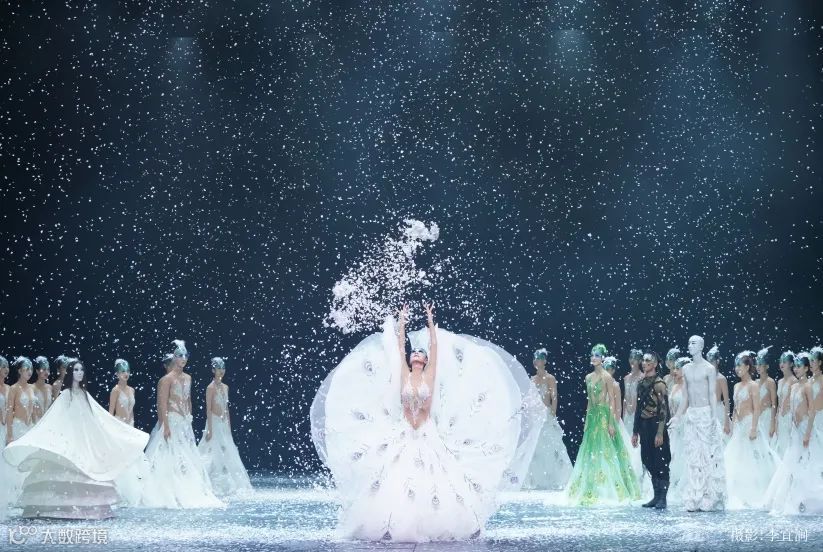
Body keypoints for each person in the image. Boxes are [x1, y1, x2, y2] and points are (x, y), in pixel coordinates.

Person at [310, 304, 544, 541]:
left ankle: (440, 522)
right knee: (396, 479)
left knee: (434, 483)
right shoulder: (405, 375)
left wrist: (431, 321)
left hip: (426, 433)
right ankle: (394, 522)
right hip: (404, 433)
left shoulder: (428, 376)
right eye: (414, 352)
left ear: (424, 360)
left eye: (420, 353)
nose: (416, 353)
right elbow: (400, 347)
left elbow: (435, 347)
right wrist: (402, 321)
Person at [3, 359, 149, 519]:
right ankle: (59, 505)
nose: (79, 373)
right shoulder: (65, 395)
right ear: (71, 373)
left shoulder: (85, 395)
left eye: (81, 370)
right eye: (76, 370)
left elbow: (96, 415)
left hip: (82, 438)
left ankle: (88, 506)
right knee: (64, 470)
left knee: (86, 469)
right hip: (68, 438)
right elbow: (56, 416)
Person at [143, 340, 223, 509]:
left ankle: (188, 489)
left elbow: (188, 400)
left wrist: (189, 419)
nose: (184, 358)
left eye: (186, 355)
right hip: (171, 421)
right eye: (180, 355)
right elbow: (161, 404)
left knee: (187, 456)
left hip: (185, 422)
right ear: (174, 357)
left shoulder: (188, 378)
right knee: (169, 455)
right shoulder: (166, 380)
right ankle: (169, 490)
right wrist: (165, 425)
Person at [565, 344, 640, 506]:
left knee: (606, 450)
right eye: (592, 355)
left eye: (597, 355)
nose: (594, 358)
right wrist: (587, 420)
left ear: (603, 358)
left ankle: (608, 488)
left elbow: (612, 400)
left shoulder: (607, 377)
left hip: (604, 415)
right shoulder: (588, 377)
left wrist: (612, 423)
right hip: (593, 417)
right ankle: (590, 486)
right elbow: (589, 401)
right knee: (590, 450)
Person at [669, 335, 726, 512]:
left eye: (693, 343)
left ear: (701, 346)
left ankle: (708, 495)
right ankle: (695, 495)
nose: (690, 345)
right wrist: (677, 416)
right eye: (689, 343)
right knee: (693, 457)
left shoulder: (709, 369)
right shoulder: (686, 368)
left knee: (707, 456)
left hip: (705, 414)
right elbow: (685, 396)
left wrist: (713, 417)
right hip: (692, 415)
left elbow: (712, 394)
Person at [765, 352, 823, 515]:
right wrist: (791, 429)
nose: (796, 369)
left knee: (807, 462)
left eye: (799, 366)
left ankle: (809, 499)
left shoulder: (807, 387)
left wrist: (807, 433)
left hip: (805, 429)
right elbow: (791, 410)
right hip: (795, 431)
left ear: (806, 368)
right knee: (792, 463)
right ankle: (792, 498)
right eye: (795, 366)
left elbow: (812, 411)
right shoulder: (794, 387)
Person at [724, 354, 778, 509]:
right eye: (736, 366)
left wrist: (754, 428)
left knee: (752, 460)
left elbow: (757, 408)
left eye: (740, 365)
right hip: (739, 427)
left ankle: (755, 492)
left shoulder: (753, 385)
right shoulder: (736, 386)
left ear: (747, 367)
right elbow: (735, 408)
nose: (737, 369)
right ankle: (737, 492)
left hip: (749, 425)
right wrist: (733, 425)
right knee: (735, 458)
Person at [198, 357, 253, 497]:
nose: (221, 371)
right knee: (212, 451)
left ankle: (228, 483)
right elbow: (208, 409)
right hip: (214, 423)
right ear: (213, 370)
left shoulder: (225, 387)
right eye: (218, 368)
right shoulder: (210, 388)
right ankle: (209, 482)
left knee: (226, 451)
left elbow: (226, 408)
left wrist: (228, 427)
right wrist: (210, 429)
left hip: (223, 424)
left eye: (223, 368)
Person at [524, 348, 573, 490]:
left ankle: (555, 478)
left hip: (546, 415)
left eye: (540, 359)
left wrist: (553, 412)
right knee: (536, 448)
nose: (537, 361)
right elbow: (530, 398)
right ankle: (536, 478)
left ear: (544, 361)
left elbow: (554, 397)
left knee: (551, 446)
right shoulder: (532, 379)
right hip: (535, 417)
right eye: (536, 359)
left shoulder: (550, 378)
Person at [631, 351, 671, 509]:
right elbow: (638, 408)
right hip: (644, 426)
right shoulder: (641, 383)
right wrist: (635, 431)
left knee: (660, 461)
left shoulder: (660, 384)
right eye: (643, 360)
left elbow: (664, 410)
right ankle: (656, 496)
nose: (644, 363)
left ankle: (663, 498)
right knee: (648, 460)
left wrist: (660, 432)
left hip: (656, 424)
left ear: (654, 364)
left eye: (648, 360)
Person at [666, 357, 689, 505]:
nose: (675, 371)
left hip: (686, 425)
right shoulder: (674, 387)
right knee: (672, 455)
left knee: (683, 455)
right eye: (674, 368)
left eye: (678, 368)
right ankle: (671, 485)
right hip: (674, 426)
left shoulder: (689, 387)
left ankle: (685, 486)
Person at [774, 351, 798, 458]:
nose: (782, 364)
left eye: (785, 362)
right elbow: (779, 402)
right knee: (779, 444)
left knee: (789, 443)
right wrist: (776, 419)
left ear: (791, 364)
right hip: (780, 417)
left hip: (789, 416)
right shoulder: (779, 381)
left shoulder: (794, 381)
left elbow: (795, 402)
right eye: (780, 361)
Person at [707, 345, 732, 443]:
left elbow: (726, 401)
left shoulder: (721, 379)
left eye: (712, 361)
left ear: (717, 361)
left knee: (720, 441)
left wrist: (727, 422)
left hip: (718, 411)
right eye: (708, 362)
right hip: (707, 411)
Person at [754, 347, 778, 449]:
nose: (758, 367)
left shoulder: (770, 382)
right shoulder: (755, 382)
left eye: (760, 364)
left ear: (767, 366)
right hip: (757, 417)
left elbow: (774, 403)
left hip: (767, 417)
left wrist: (772, 423)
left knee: (766, 445)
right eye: (757, 364)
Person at [623, 349, 644, 435]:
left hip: (638, 413)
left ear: (640, 361)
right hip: (627, 414)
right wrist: (623, 415)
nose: (632, 360)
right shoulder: (626, 378)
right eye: (631, 357)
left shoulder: (642, 377)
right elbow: (625, 398)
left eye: (635, 358)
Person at [109, 359, 135, 426]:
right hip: (119, 425)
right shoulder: (115, 390)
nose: (126, 374)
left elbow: (131, 411)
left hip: (130, 425)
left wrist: (132, 425)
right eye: (123, 371)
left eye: (128, 371)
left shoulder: (132, 390)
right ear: (117, 373)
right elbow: (111, 412)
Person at [31, 357, 53, 422]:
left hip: (49, 422)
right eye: (44, 369)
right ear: (37, 371)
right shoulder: (31, 388)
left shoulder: (50, 387)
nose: (46, 372)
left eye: (48, 369)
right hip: (35, 422)